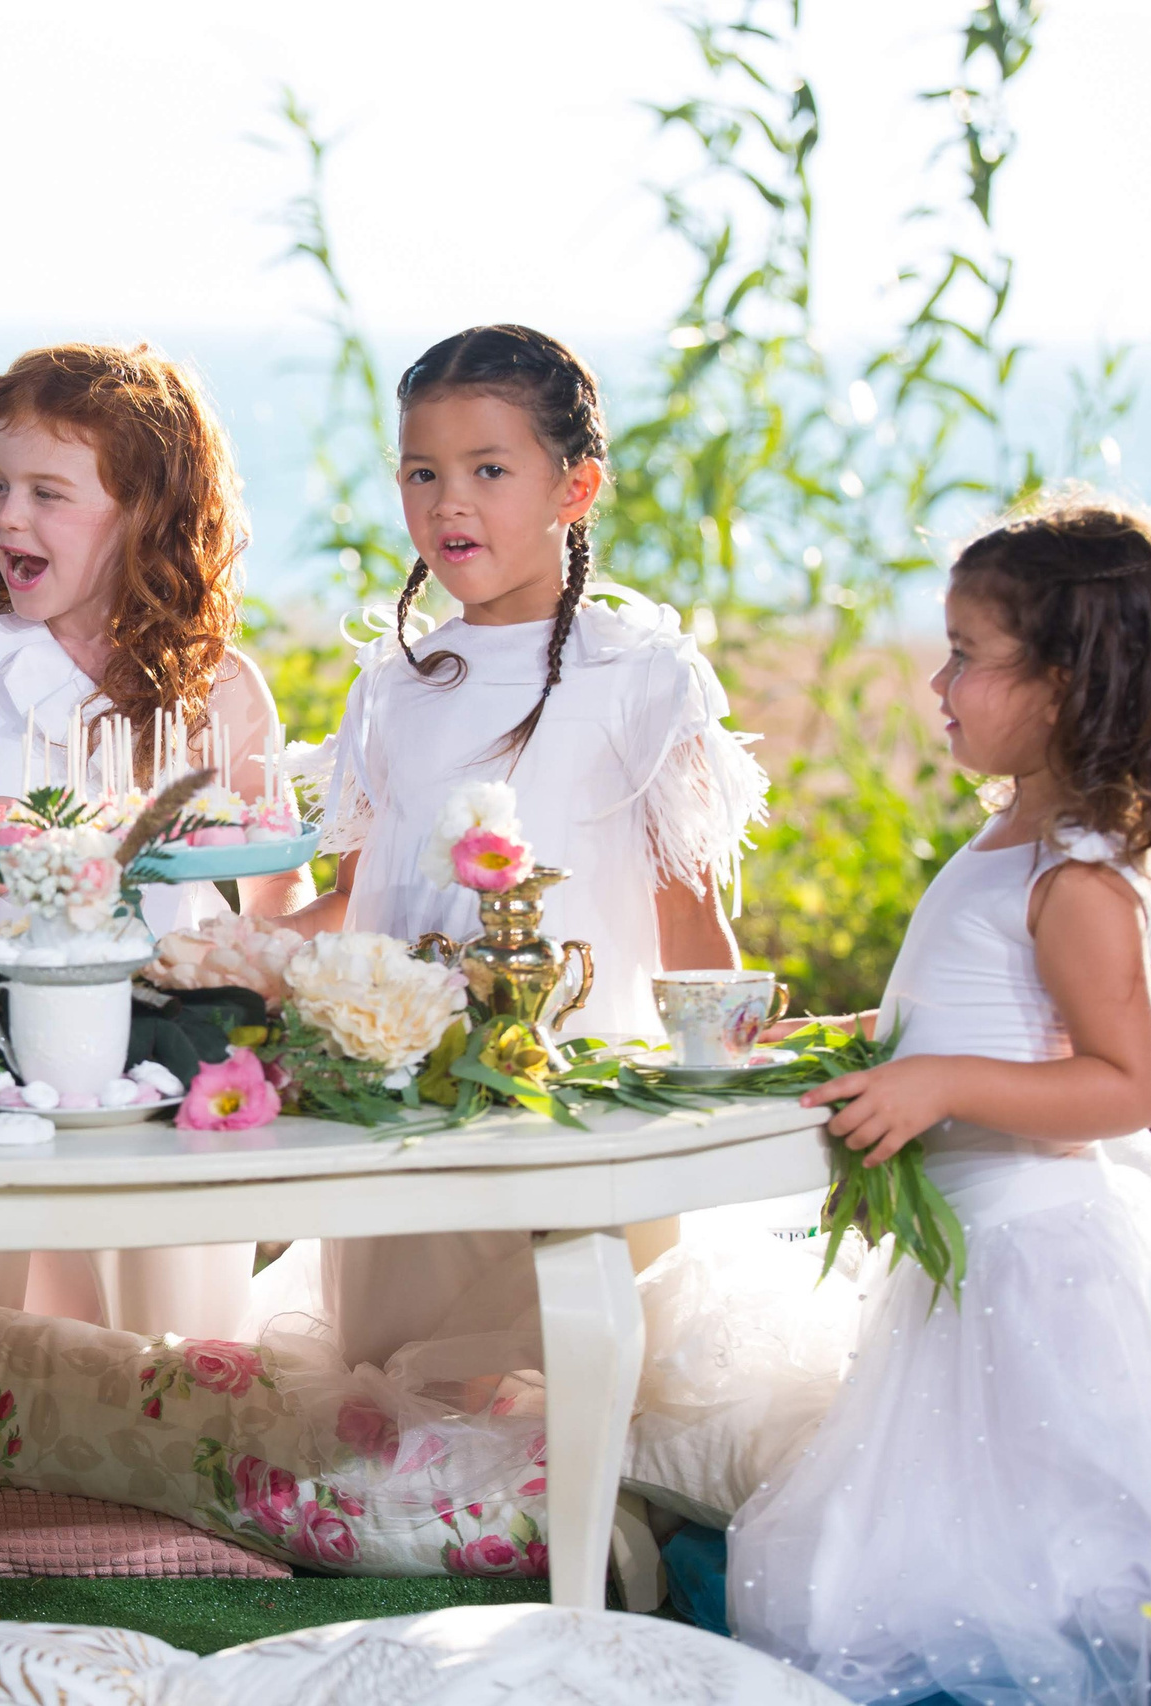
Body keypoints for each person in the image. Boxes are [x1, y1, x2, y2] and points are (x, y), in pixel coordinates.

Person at [727, 493, 1151, 1704]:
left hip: (1035, 1258)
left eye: (967, 654)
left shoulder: (1078, 876)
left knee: (1043, 1543)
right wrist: (848, 1038)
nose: (937, 679)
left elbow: (1125, 1086)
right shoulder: (1018, 828)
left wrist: (938, 1080)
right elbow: (973, 1014)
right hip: (974, 1252)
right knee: (947, 1519)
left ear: (1062, 685)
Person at [257, 324, 769, 1371]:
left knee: (556, 1382)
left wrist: (735, 1096)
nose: (449, 501)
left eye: (489, 469)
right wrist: (222, 964)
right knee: (393, 1387)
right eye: (422, 471)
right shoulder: (392, 687)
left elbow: (688, 921)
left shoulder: (640, 678)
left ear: (572, 489)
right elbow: (356, 902)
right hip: (407, 1123)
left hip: (577, 1120)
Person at [0, 342, 309, 1339]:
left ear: (144, 513)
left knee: (149, 1315)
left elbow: (274, 883)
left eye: (48, 491)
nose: (7, 516)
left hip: (159, 1050)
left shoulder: (219, 692)